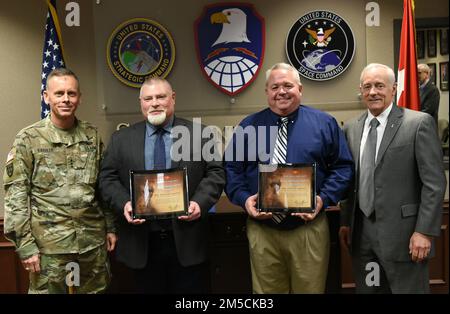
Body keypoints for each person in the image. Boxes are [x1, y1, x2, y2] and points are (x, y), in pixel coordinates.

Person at [224, 62, 353, 293]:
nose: (281, 91)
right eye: (274, 87)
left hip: (309, 228)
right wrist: (245, 200)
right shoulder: (248, 126)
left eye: (287, 85)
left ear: (300, 89)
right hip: (262, 230)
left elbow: (343, 168)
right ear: (266, 92)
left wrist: (323, 199)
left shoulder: (325, 124)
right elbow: (232, 170)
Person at [98, 77, 225, 294]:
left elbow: (216, 173)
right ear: (141, 103)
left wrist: (198, 202)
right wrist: (125, 204)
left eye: (160, 97)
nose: (154, 103)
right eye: (148, 98)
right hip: (141, 243)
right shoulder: (121, 139)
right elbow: (107, 179)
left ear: (172, 99)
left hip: (187, 240)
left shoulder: (201, 135)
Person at [3, 68, 117, 294]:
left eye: (71, 93)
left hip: (91, 243)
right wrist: (25, 246)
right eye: (59, 93)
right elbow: (16, 195)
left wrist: (110, 227)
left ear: (79, 98)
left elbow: (102, 187)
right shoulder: (28, 138)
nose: (66, 99)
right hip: (49, 248)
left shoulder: (91, 136)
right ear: (46, 97)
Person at [339, 63, 446, 293]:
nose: (373, 92)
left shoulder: (418, 123)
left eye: (379, 85)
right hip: (363, 238)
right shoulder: (351, 128)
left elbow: (434, 183)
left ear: (393, 89)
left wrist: (424, 231)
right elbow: (350, 182)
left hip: (406, 238)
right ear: (361, 90)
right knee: (370, 290)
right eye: (367, 87)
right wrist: (346, 221)